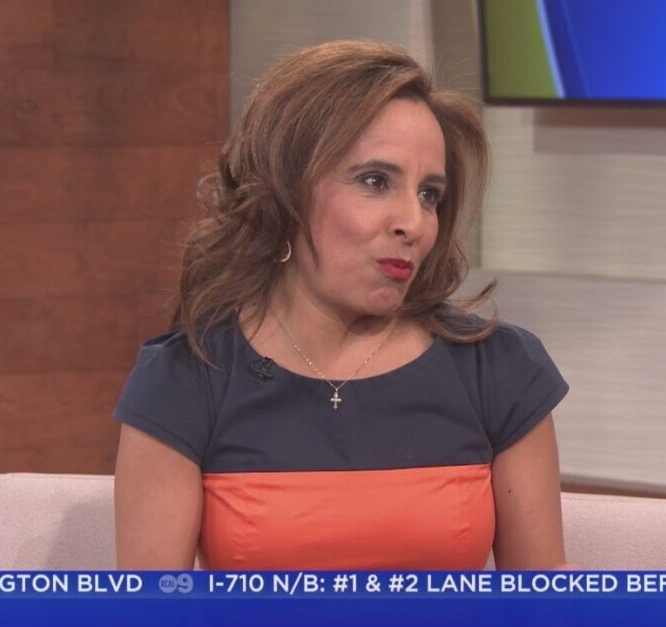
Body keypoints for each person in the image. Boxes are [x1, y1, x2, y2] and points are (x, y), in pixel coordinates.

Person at [113, 40, 570, 570]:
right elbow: (153, 606)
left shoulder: (500, 370)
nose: (414, 223)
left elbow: (541, 603)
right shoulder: (186, 380)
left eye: (429, 194)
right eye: (376, 181)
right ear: (287, 190)